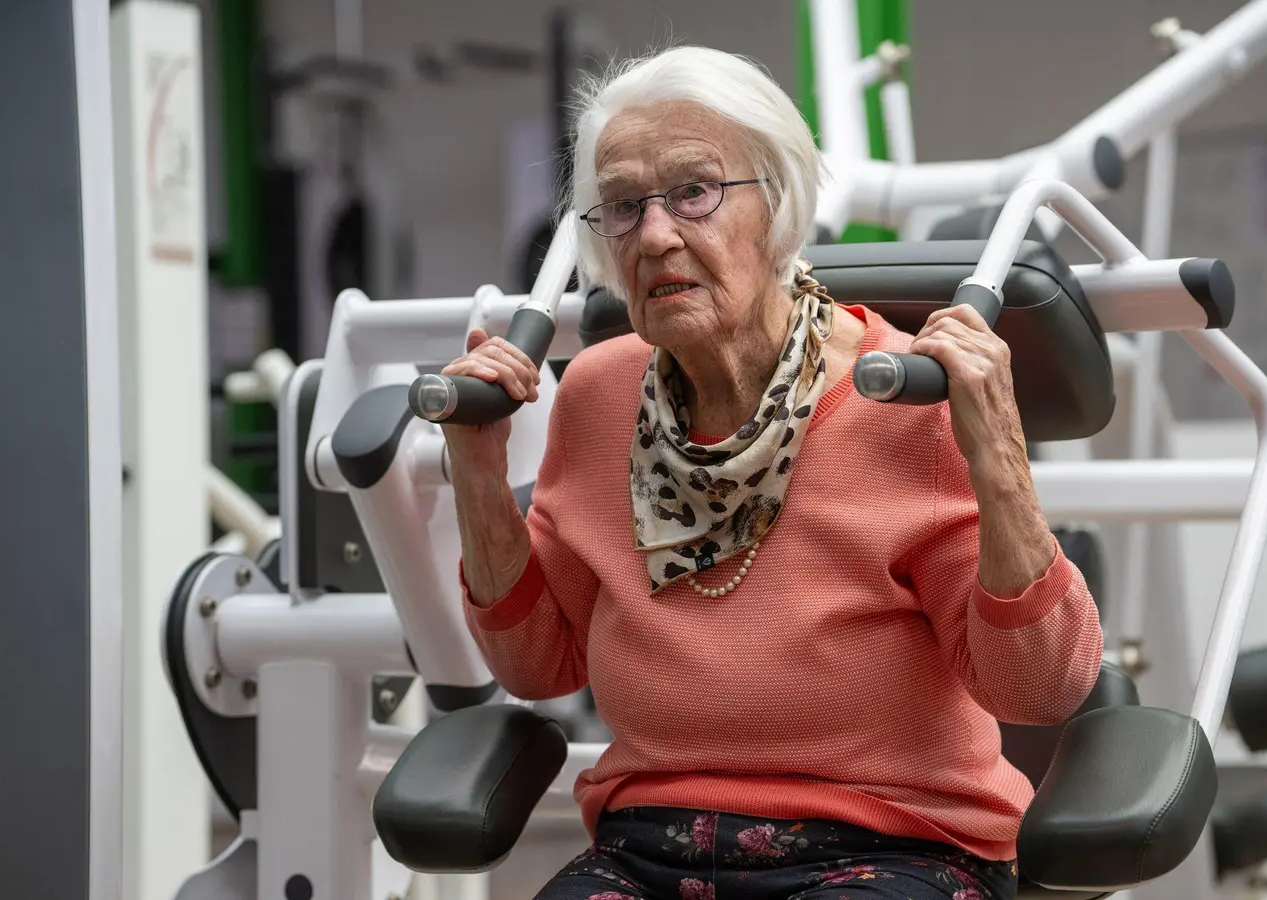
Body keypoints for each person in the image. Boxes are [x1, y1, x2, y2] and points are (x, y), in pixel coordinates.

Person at [438, 46, 1102, 900]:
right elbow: (541, 664)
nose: (656, 233)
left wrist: (1001, 458)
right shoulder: (599, 393)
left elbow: (1041, 688)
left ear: (779, 205)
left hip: (892, 846)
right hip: (649, 850)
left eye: (694, 192)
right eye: (624, 206)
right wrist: (479, 470)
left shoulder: (901, 393)